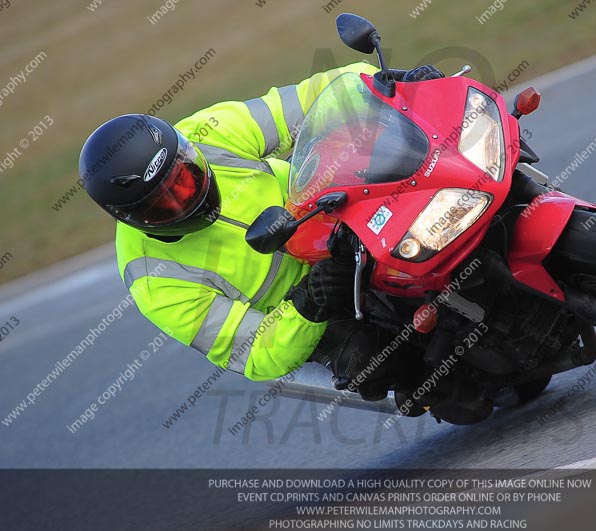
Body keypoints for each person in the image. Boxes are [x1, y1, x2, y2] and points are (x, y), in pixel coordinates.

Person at [78, 62, 443, 400]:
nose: (189, 195)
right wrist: (308, 303)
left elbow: (310, 98)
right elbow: (255, 353)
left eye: (186, 175)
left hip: (341, 215)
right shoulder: (154, 281)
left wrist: (384, 83)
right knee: (373, 362)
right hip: (311, 305)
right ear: (131, 218)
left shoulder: (208, 132)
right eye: (166, 202)